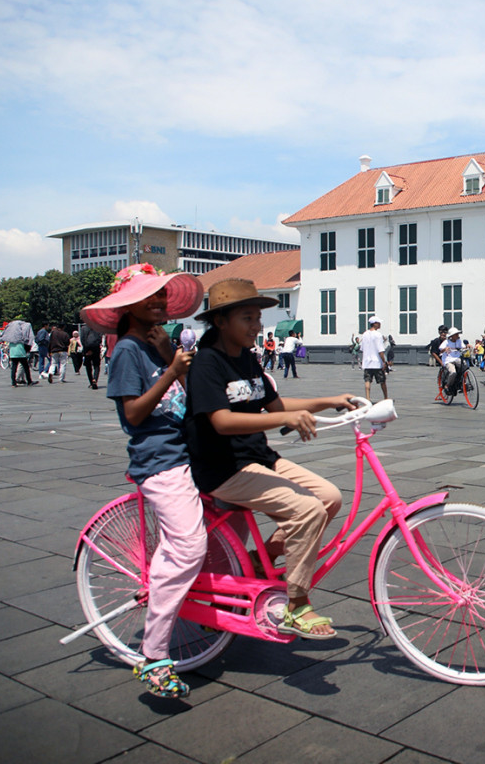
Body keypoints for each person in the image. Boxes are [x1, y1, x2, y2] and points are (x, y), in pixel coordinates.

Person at [186, 279, 353, 641]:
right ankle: (296, 604)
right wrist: (283, 420)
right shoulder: (206, 364)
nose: (257, 326)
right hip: (223, 467)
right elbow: (221, 420)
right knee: (306, 509)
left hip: (258, 457)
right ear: (220, 322)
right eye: (248, 318)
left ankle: (263, 561)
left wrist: (330, 399)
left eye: (258, 318)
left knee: (329, 498)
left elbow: (276, 406)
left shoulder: (247, 358)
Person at [81, 262, 207, 698]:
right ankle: (154, 656)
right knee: (189, 546)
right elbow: (133, 415)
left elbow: (189, 397)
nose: (159, 302)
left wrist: (173, 358)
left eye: (161, 295)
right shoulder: (126, 353)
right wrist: (172, 370)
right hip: (159, 460)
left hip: (188, 451)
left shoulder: (156, 344)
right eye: (149, 296)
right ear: (128, 306)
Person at [360, 316, 389, 401]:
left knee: (367, 380)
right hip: (376, 362)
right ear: (375, 324)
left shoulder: (365, 334)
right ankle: (386, 398)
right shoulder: (378, 335)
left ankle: (368, 398)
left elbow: (362, 348)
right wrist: (384, 361)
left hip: (367, 362)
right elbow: (380, 350)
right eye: (379, 323)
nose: (380, 324)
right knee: (382, 381)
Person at [3, 318, 36, 386]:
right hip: (21, 353)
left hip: (13, 353)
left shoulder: (11, 339)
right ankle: (29, 381)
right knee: (26, 367)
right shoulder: (21, 338)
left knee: (14, 368)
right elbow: (29, 339)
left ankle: (13, 383)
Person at [439, 327, 464, 395]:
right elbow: (440, 350)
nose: (458, 335)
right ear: (451, 336)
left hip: (457, 358)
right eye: (456, 334)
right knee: (453, 372)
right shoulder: (446, 342)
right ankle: (447, 385)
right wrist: (445, 349)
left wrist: (467, 347)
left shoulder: (459, 341)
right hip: (448, 360)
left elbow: (463, 347)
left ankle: (463, 383)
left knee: (464, 366)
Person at [81, 323, 103, 389]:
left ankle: (91, 381)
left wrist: (86, 349)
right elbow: (100, 339)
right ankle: (95, 380)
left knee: (88, 366)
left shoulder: (83, 328)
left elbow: (82, 339)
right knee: (96, 365)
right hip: (96, 348)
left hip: (87, 348)